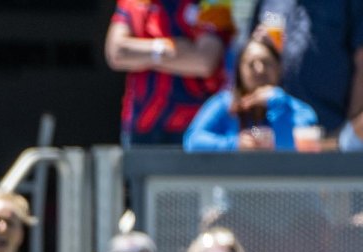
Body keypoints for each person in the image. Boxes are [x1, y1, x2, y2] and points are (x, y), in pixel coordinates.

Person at [105, 0, 233, 146]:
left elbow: (204, 62)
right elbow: (116, 54)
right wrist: (168, 50)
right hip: (141, 123)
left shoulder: (212, 2)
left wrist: (140, 54)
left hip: (195, 126)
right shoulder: (133, 2)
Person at [249, 0, 363, 149]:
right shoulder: (270, 3)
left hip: (330, 137)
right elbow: (248, 58)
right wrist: (260, 45)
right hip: (274, 141)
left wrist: (347, 134)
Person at [184, 27, 318, 151]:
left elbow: (297, 145)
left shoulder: (298, 110)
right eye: (251, 64)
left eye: (266, 62)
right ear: (239, 71)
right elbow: (192, 141)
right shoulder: (224, 104)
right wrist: (235, 144)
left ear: (279, 69)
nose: (260, 70)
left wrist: (276, 101)